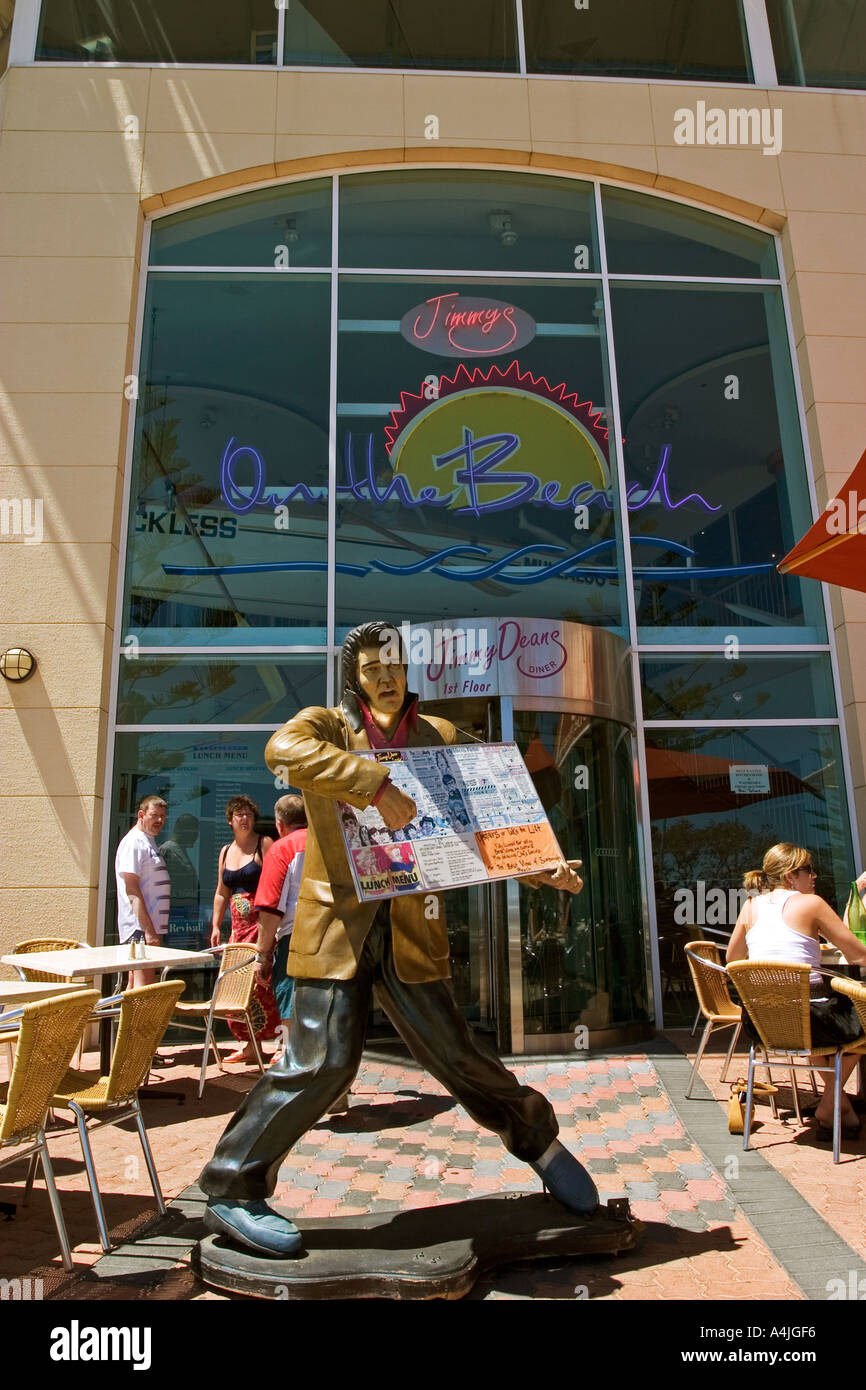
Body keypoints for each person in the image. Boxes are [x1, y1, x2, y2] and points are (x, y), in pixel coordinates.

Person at [200, 619, 597, 1258]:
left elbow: (487, 812)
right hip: (339, 928)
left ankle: (541, 1144)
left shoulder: (438, 735)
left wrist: (540, 865)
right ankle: (231, 1186)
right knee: (324, 1063)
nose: (386, 678)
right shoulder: (327, 726)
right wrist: (375, 784)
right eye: (372, 669)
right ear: (355, 678)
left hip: (413, 928)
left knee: (460, 1057)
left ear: (409, 671)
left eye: (395, 665)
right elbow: (281, 751)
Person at [726, 843, 866, 1139]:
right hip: (813, 1022)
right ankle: (831, 1105)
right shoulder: (810, 903)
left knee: (821, 1020)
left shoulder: (751, 905)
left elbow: (733, 960)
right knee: (858, 1019)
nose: (814, 876)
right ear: (791, 876)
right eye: (808, 870)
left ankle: (839, 1108)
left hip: (763, 1025)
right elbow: (859, 956)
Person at [210, 796, 279, 1066]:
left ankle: (281, 1044)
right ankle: (251, 1045)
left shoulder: (265, 845)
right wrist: (216, 925)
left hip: (262, 927)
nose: (244, 818)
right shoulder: (226, 851)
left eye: (249, 814)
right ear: (230, 820)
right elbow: (221, 892)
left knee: (263, 985)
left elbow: (277, 883)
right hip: (237, 931)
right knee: (237, 986)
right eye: (239, 814)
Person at [252, 795, 306, 1065]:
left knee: (291, 1002)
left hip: (296, 939)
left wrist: (262, 956)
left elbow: (271, 908)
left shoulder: (281, 849)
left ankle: (293, 1065)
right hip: (336, 937)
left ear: (280, 824)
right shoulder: (329, 843)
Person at [115, 793, 170, 990]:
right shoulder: (135, 842)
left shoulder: (148, 841)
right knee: (143, 990)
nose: (159, 821)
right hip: (139, 930)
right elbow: (131, 889)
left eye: (163, 816)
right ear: (141, 814)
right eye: (154, 815)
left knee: (134, 988)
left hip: (148, 929)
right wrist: (148, 930)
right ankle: (138, 1022)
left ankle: (128, 1021)